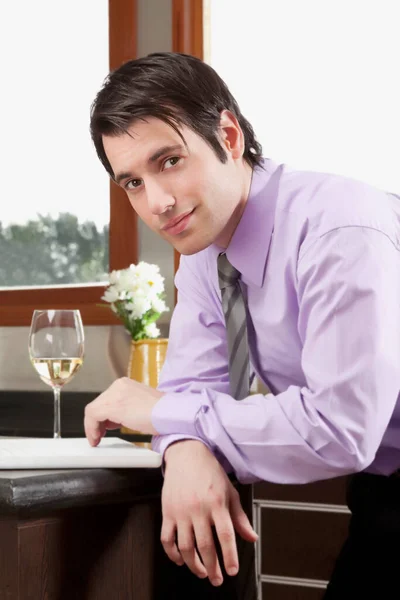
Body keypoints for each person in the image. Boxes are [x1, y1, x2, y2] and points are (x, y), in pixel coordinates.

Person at [85, 51, 400, 597]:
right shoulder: (206, 256)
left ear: (228, 136)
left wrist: (157, 411)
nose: (157, 203)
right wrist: (183, 447)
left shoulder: (338, 228)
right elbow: (190, 391)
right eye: (132, 182)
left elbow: (340, 427)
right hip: (382, 492)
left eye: (169, 161)